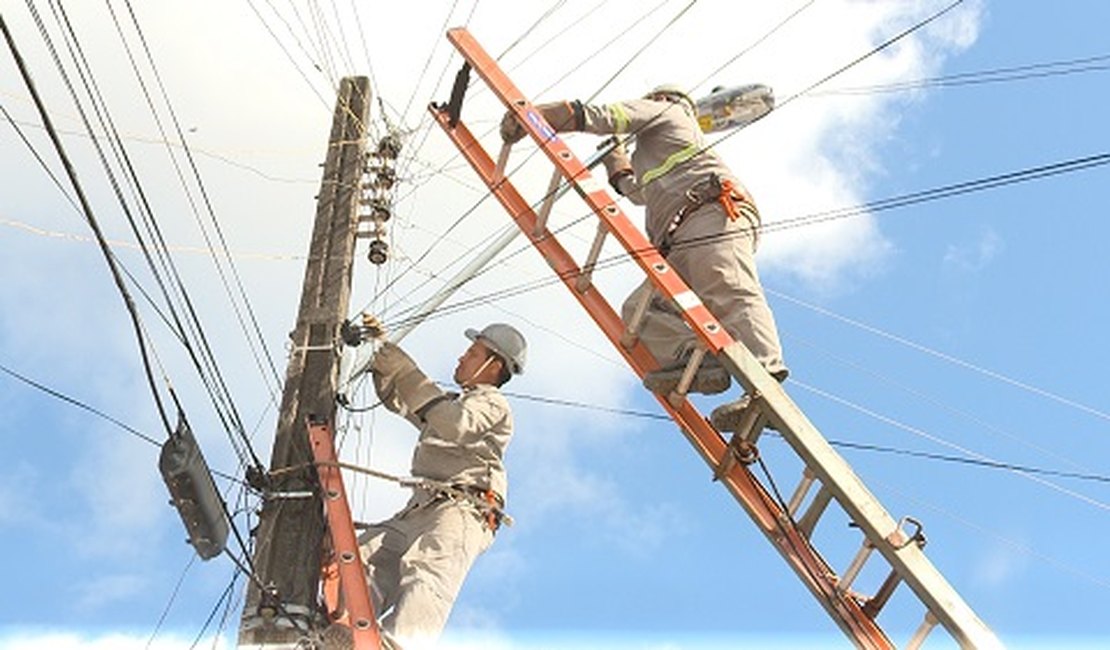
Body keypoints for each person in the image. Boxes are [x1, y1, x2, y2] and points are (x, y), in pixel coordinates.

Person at [500, 84, 786, 425]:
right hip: (681, 237)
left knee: (727, 287)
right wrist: (616, 161)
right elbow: (635, 192)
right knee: (641, 310)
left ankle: (765, 381)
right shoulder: (656, 151)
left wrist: (542, 114)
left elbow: (608, 116)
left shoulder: (668, 111)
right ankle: (699, 359)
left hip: (711, 213)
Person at [354, 320, 526, 649]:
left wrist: (403, 368)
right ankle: (345, 628)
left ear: (495, 365)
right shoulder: (450, 404)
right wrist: (380, 351)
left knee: (428, 574)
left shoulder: (492, 403)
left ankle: (398, 645)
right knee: (361, 555)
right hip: (420, 510)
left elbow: (456, 425)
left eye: (473, 353)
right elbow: (406, 402)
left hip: (463, 509)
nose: (462, 358)